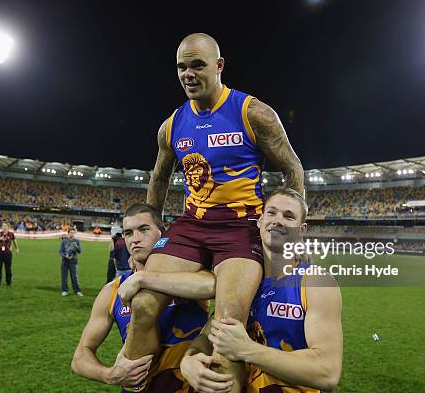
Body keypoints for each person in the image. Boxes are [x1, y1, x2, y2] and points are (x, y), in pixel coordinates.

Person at [125, 33, 305, 392]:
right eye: (181, 67)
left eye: (197, 65)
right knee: (142, 304)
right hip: (191, 225)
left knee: (227, 326)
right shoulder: (173, 125)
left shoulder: (253, 112)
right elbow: (158, 180)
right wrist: (150, 234)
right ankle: (134, 386)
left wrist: (288, 235)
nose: (188, 74)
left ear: (219, 66)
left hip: (241, 228)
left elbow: (294, 170)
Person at [120, 190, 342, 392]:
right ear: (260, 221)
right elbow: (208, 336)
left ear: (301, 230)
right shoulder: (244, 282)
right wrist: (189, 361)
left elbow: (327, 372)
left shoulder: (315, 282)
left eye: (289, 216)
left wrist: (247, 349)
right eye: (272, 213)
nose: (278, 221)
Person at [71, 204, 210, 392]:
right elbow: (80, 356)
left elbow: (219, 286)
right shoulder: (112, 291)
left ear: (162, 233)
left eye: (144, 230)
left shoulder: (189, 276)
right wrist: (109, 375)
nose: (135, 239)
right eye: (128, 233)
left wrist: (144, 278)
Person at [0, 222, 19, 287]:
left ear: (8, 227)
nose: (4, 227)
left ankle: (8, 282)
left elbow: (14, 241)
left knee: (8, 268)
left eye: (5, 226)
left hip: (7, 253)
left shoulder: (11, 234)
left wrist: (17, 248)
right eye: (3, 226)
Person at [60, 228, 83, 297]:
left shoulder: (77, 241)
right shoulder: (64, 241)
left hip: (73, 261)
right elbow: (61, 251)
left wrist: (76, 247)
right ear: (68, 233)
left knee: (74, 277)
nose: (72, 234)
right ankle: (65, 290)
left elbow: (80, 251)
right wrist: (65, 255)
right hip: (64, 261)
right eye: (71, 232)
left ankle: (77, 291)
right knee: (64, 277)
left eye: (73, 233)